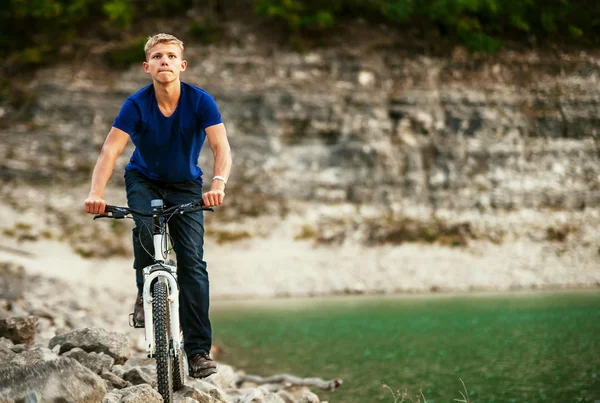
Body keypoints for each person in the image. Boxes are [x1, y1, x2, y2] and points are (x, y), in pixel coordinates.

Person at [84, 33, 232, 379]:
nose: (163, 61)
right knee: (145, 226)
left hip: (185, 185)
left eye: (170, 56)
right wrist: (96, 193)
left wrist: (218, 184)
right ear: (146, 66)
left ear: (182, 65)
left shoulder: (200, 101)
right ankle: (144, 291)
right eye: (157, 56)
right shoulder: (136, 105)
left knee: (193, 263)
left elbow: (221, 147)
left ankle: (197, 352)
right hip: (143, 179)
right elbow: (111, 150)